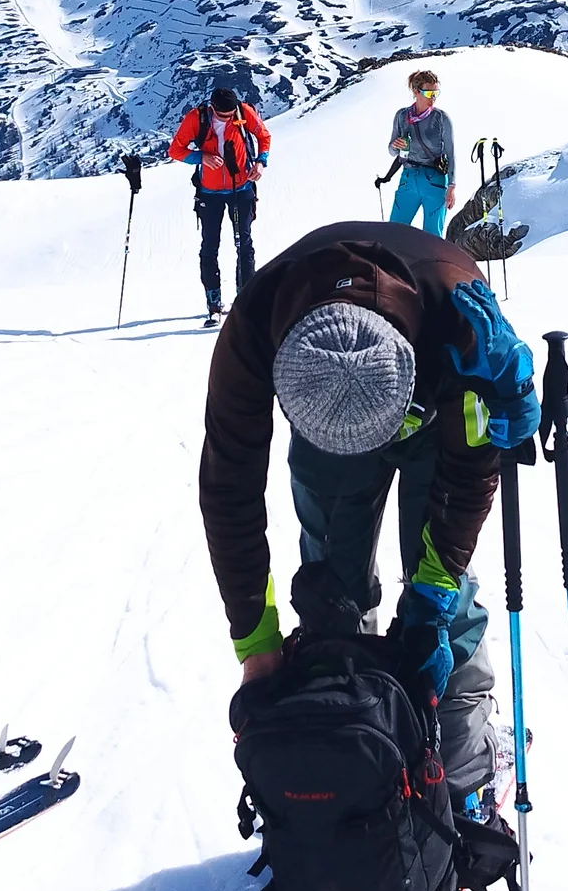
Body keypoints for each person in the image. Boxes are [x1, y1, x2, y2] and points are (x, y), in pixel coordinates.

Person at [198, 219, 538, 808]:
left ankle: (461, 778)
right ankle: (346, 743)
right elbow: (229, 493)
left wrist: (432, 590)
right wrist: (256, 643)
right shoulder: (254, 327)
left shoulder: (463, 325)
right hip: (327, 417)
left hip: (437, 414)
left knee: (444, 610)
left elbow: (468, 475)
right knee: (332, 589)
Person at [169, 83, 270, 322]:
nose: (228, 117)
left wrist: (260, 161)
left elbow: (264, 136)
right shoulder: (198, 117)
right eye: (223, 115)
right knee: (209, 247)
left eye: (231, 113)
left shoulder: (243, 112)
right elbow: (175, 150)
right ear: (212, 108)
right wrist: (201, 157)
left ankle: (245, 300)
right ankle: (213, 304)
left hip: (241, 188)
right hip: (209, 193)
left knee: (244, 244)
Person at [387, 68, 457, 234]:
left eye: (435, 93)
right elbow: (391, 151)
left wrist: (452, 186)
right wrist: (395, 146)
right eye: (428, 93)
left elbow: (451, 153)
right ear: (416, 91)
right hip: (408, 177)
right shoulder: (401, 116)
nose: (432, 98)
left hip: (435, 180)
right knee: (394, 231)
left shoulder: (441, 118)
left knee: (432, 237)